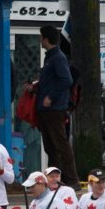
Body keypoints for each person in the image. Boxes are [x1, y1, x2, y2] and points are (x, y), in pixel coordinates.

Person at [36, 25, 79, 187]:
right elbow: (53, 79)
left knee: (61, 145)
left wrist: (50, 96)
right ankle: (55, 179)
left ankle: (72, 179)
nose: (40, 40)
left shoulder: (58, 57)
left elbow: (66, 80)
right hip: (46, 110)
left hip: (55, 109)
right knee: (50, 146)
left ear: (46, 39)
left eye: (41, 37)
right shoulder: (50, 58)